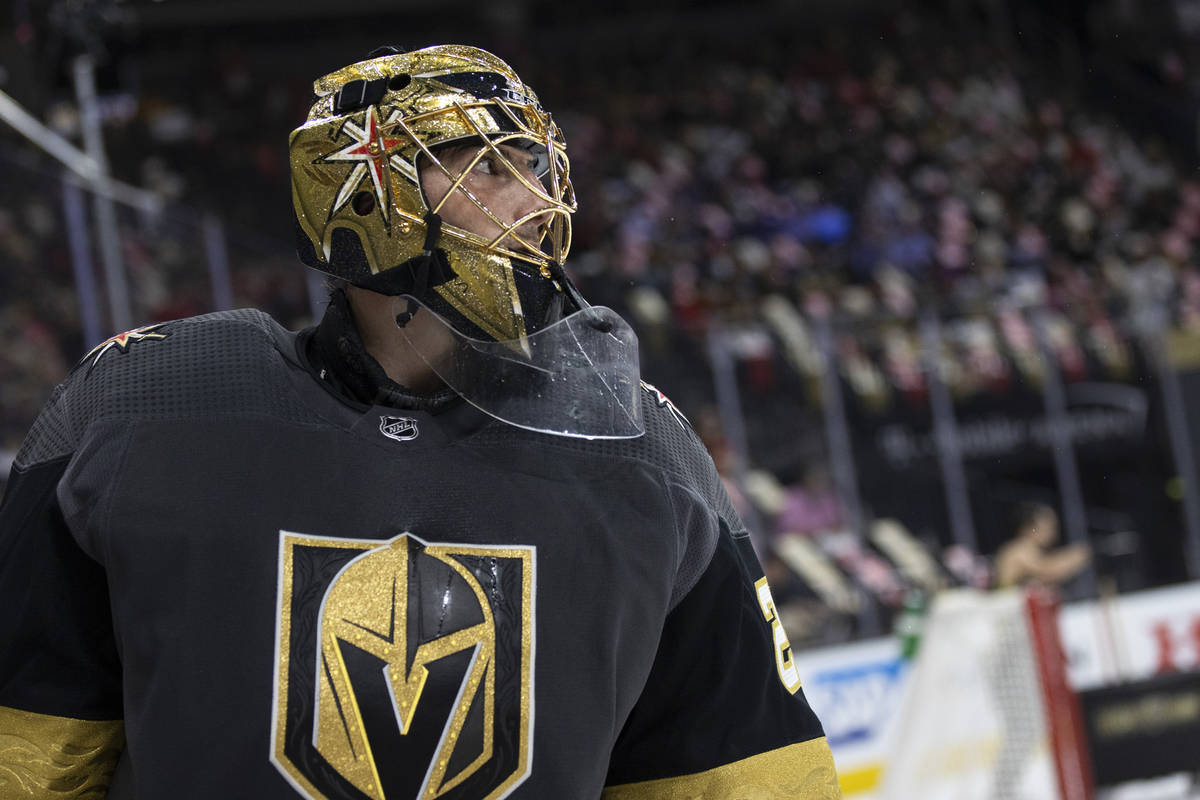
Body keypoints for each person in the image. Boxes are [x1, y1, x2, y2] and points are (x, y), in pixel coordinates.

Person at [0, 45, 840, 798]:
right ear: (357, 192)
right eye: (486, 168)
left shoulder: (645, 449)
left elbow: (749, 778)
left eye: (536, 166)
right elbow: (25, 752)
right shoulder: (151, 403)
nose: (537, 205)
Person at [993, 501, 1091, 589]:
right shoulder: (1019, 549)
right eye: (1047, 527)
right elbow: (1050, 571)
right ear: (1028, 528)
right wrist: (1076, 556)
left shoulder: (1028, 550)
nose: (1053, 533)